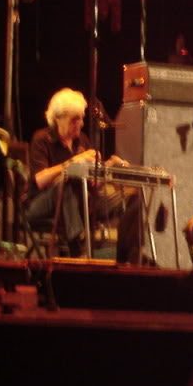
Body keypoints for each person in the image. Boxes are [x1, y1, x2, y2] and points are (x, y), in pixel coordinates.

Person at [27, 87, 141, 261]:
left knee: (135, 194)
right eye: (74, 119)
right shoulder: (42, 139)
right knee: (64, 184)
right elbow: (40, 180)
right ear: (58, 119)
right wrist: (74, 162)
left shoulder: (83, 141)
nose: (80, 123)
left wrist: (107, 168)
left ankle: (129, 249)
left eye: (81, 118)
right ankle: (77, 247)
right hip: (41, 204)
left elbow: (93, 184)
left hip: (81, 201)